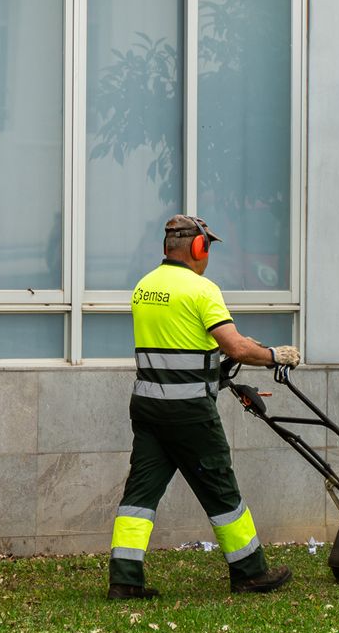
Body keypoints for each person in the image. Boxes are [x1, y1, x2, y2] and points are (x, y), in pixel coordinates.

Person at [107, 214, 302, 601]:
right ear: (198, 248)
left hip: (147, 408)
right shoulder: (202, 290)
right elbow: (234, 347)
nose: (207, 254)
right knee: (220, 487)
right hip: (189, 411)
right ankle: (250, 572)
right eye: (207, 246)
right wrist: (274, 354)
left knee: (140, 493)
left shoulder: (143, 288)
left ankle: (125, 579)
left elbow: (180, 342)